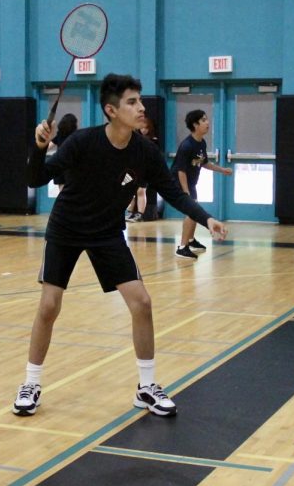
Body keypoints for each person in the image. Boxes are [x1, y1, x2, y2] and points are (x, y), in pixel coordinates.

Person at [13, 74, 227, 418]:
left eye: (139, 101)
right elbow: (35, 178)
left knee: (141, 302)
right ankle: (31, 383)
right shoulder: (83, 142)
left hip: (108, 233)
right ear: (111, 110)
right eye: (132, 102)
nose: (141, 107)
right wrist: (39, 148)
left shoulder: (145, 152)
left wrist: (206, 219)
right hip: (67, 228)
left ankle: (146, 388)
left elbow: (173, 191)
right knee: (49, 306)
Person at [171, 110, 233, 259]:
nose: (208, 123)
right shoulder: (186, 146)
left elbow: (204, 163)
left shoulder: (201, 143)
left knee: (194, 210)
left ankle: (191, 241)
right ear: (195, 124)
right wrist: (186, 193)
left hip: (191, 184)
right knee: (191, 211)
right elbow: (181, 171)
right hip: (179, 182)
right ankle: (182, 247)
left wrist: (221, 170)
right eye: (204, 120)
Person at [126, 116, 157, 222]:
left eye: (146, 128)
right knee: (131, 190)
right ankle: (130, 212)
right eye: (142, 128)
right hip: (133, 169)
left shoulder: (152, 141)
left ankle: (140, 214)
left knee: (141, 191)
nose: (144, 130)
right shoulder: (135, 139)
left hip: (145, 170)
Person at [49, 113, 78, 192]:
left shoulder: (59, 135)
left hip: (60, 165)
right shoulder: (75, 136)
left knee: (62, 191)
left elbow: (48, 146)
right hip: (72, 166)